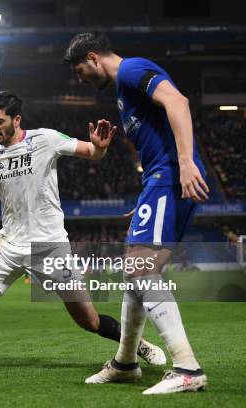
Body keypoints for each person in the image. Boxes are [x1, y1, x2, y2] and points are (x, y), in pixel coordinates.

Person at [0, 91, 165, 381]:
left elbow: (92, 151)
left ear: (16, 119)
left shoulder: (45, 139)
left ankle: (137, 344)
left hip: (48, 244)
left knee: (89, 320)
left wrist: (100, 148)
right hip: (9, 240)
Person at [63, 31, 208, 394]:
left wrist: (186, 164)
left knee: (139, 267)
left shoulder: (131, 71)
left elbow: (178, 101)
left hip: (169, 175)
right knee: (137, 271)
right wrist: (147, 198)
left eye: (81, 71)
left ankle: (187, 367)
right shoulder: (122, 89)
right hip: (159, 181)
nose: (80, 79)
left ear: (94, 57)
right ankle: (126, 363)